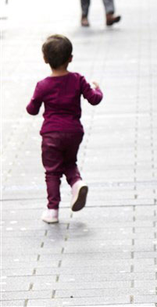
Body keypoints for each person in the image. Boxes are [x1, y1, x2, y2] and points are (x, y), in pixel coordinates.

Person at [26, 35, 103, 224]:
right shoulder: (78, 80)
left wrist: (35, 99)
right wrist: (98, 89)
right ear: (71, 58)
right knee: (69, 162)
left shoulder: (42, 85)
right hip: (74, 132)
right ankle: (77, 183)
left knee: (52, 171)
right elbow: (94, 99)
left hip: (51, 135)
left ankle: (52, 211)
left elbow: (31, 109)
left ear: (45, 59)